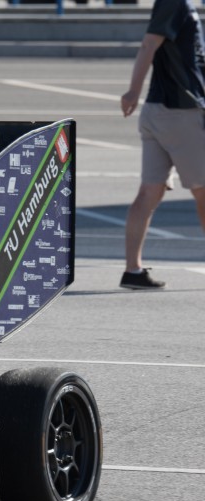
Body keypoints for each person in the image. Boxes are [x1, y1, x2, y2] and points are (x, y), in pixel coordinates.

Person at [119, 0, 205, 290]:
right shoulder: (174, 2)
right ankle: (132, 269)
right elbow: (148, 45)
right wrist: (132, 90)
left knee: (149, 192)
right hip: (180, 113)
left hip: (159, 111)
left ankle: (132, 270)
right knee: (203, 191)